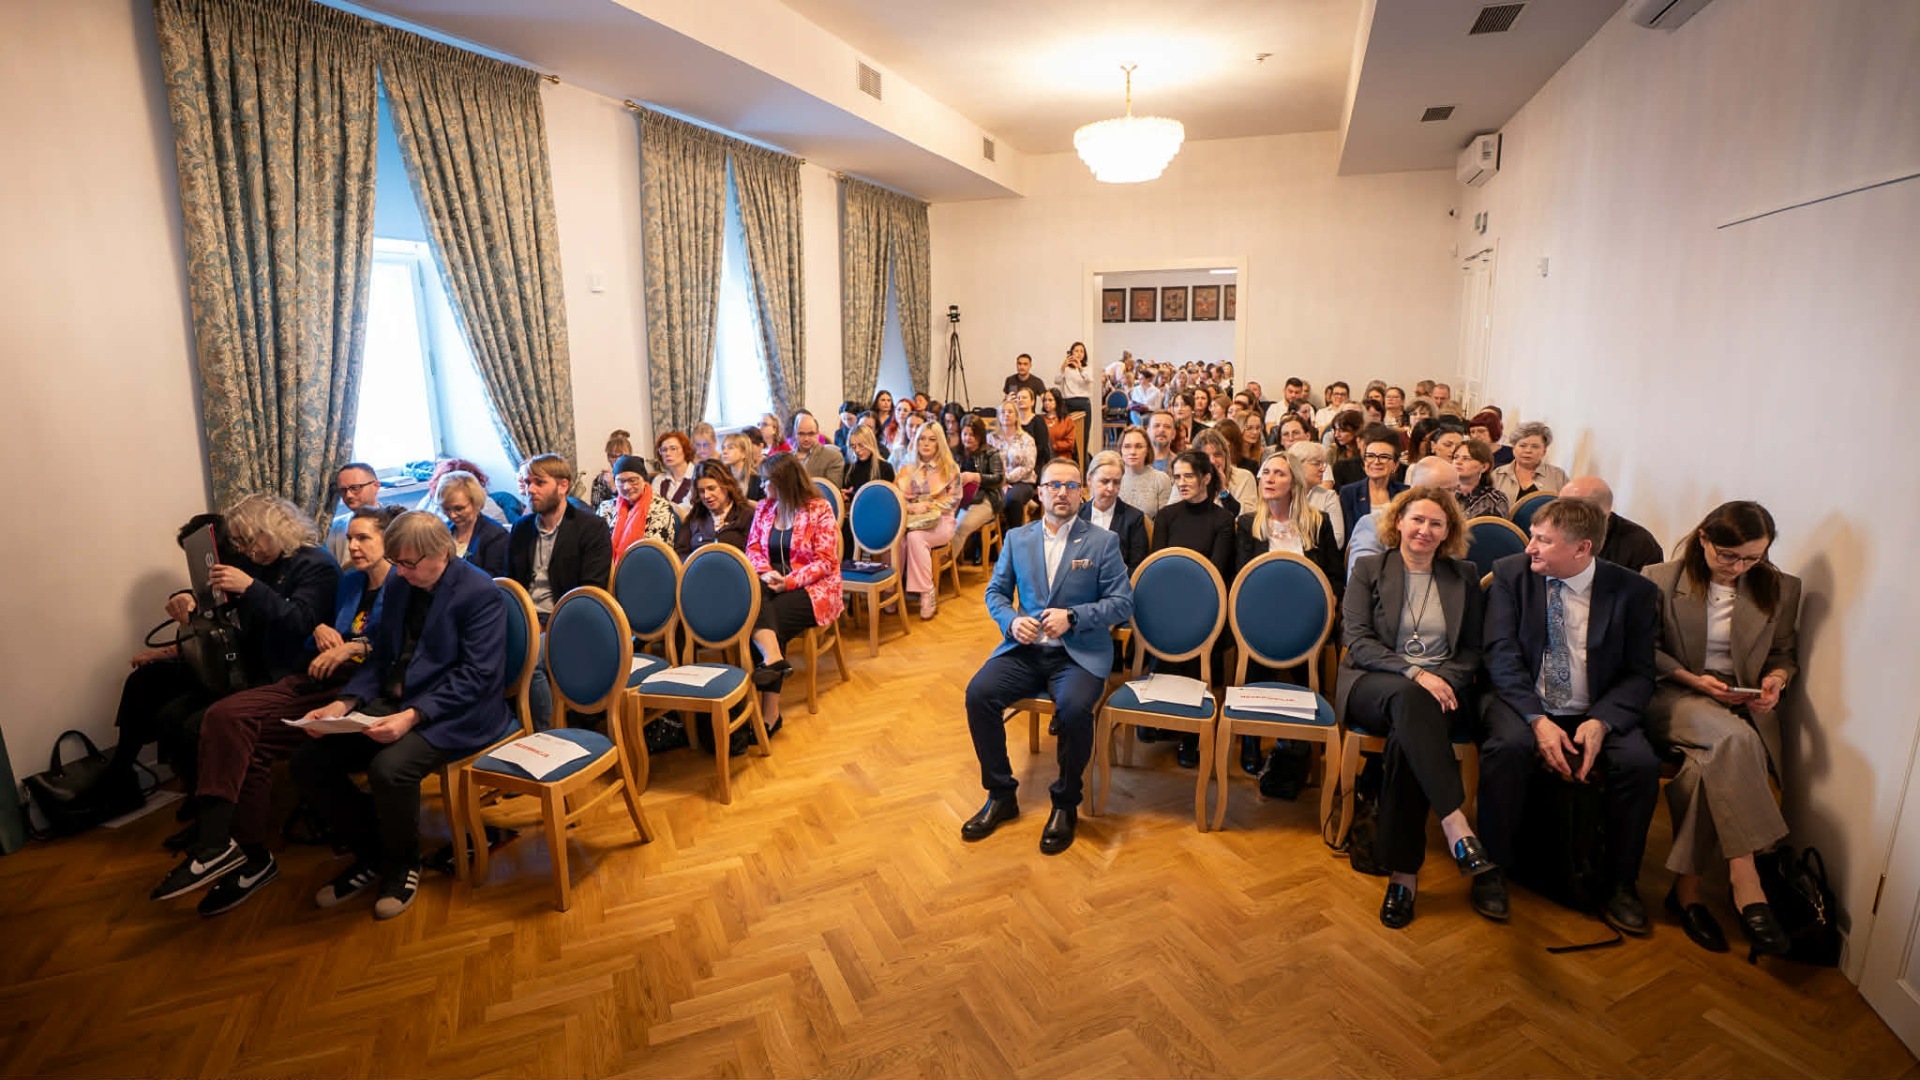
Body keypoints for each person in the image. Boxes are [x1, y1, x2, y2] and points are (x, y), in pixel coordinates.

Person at [149, 505, 399, 914]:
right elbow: (311, 630)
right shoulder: (353, 583)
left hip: (350, 687)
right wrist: (320, 633)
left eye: (363, 538)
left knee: (225, 718)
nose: (352, 546)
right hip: (316, 676)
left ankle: (219, 844)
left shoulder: (387, 583)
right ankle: (248, 855)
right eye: (350, 538)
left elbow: (385, 646)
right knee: (238, 734)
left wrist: (350, 646)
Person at [292, 512, 511, 920]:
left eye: (409, 563)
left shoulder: (479, 592)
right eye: (398, 563)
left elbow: (477, 677)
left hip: (458, 712)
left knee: (390, 769)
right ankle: (372, 853)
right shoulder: (398, 582)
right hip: (400, 700)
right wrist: (344, 704)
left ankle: (402, 864)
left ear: (441, 553)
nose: (401, 571)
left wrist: (413, 715)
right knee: (309, 761)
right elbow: (381, 653)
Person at [1475, 497, 1662, 934]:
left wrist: (1602, 721)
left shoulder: (1633, 592)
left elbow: (1639, 674)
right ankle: (1492, 868)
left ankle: (1621, 883)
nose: (1531, 548)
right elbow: (1501, 656)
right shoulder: (1510, 575)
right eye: (1533, 537)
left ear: (1583, 549)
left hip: (1595, 708)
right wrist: (1536, 720)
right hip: (1523, 700)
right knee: (1508, 747)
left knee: (1639, 764)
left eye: (1543, 540)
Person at [113, 500, 342, 817]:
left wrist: (250, 587)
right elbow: (215, 600)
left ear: (275, 529)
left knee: (198, 723)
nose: (246, 550)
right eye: (239, 543)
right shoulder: (259, 564)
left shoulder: (316, 565)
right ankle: (195, 799)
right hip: (248, 666)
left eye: (249, 540)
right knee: (170, 715)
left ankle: (218, 814)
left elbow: (301, 622)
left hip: (290, 673)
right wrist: (187, 597)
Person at [1643, 501, 1801, 956]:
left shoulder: (1781, 588)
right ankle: (1746, 876)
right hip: (1675, 694)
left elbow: (1783, 654)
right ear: (1704, 540)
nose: (1739, 568)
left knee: (1703, 773)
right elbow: (1644, 651)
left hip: (1741, 701)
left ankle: (1686, 896)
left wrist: (1775, 681)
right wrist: (1694, 680)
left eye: (1753, 558)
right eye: (1728, 556)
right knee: (1735, 739)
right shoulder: (1660, 579)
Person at [962, 457, 1134, 856]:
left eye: (1071, 486)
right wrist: (1009, 621)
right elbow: (996, 594)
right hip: (1024, 651)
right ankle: (1001, 794)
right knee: (978, 694)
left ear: (1082, 493)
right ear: (1039, 492)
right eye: (1054, 485)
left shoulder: (1102, 542)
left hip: (1078, 656)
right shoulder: (1017, 539)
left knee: (1074, 711)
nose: (1062, 492)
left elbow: (1122, 603)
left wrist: (1074, 617)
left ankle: (1065, 803)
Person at [1338, 486, 1492, 928]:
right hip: (1376, 683)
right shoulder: (1369, 568)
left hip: (1442, 691)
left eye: (1436, 523)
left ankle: (1403, 876)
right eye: (1417, 520)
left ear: (1448, 532)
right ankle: (1455, 823)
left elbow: (1471, 650)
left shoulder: (1462, 575)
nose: (1425, 530)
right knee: (1410, 699)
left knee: (1410, 733)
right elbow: (1358, 641)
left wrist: (1442, 678)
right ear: (1399, 522)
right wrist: (1415, 673)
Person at [508, 454, 614, 727]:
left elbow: (589, 593)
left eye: (539, 483)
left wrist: (546, 626)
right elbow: (512, 585)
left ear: (563, 486)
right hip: (528, 621)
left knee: (530, 660)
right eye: (528, 482)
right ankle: (504, 730)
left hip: (568, 622)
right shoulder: (521, 529)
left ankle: (546, 734)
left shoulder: (589, 527)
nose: (531, 489)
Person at [744, 454, 846, 734]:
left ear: (784, 482)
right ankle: (774, 661)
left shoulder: (819, 509)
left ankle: (768, 713)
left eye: (767, 481)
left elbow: (826, 561)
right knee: (752, 603)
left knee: (768, 618)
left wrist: (788, 581)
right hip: (770, 580)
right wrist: (766, 573)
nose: (762, 486)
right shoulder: (765, 508)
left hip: (815, 587)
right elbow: (752, 548)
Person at [1235, 450, 1343, 593]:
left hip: (1309, 601)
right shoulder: (1247, 524)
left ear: (1294, 483)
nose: (1269, 479)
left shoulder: (1318, 522)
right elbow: (1242, 581)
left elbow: (1336, 579)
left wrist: (1330, 601)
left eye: (1279, 474)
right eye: (1266, 472)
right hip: (1262, 603)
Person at [895, 420, 962, 620]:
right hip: (911, 519)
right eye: (922, 439)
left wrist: (929, 506)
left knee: (916, 538)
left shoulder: (950, 468)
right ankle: (892, 590)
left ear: (939, 443)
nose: (925, 443)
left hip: (942, 520)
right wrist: (911, 507)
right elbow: (896, 497)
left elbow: (954, 500)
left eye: (932, 440)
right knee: (899, 539)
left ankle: (927, 592)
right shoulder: (907, 467)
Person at [1560, 476, 1664, 573]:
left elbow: (1645, 590)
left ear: (1602, 512)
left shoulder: (1641, 546)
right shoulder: (1553, 529)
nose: (1559, 515)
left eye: (1568, 510)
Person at [1079, 450, 1148, 573]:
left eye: (1116, 482)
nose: (1111, 488)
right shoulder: (1076, 515)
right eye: (1104, 481)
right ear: (1089, 480)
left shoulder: (1133, 518)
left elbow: (1137, 568)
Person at [1338, 427, 1409, 547]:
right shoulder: (1349, 493)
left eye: (1384, 457)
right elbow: (1350, 536)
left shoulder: (1405, 493)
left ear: (1395, 465)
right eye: (1370, 456)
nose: (1376, 461)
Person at [597, 453, 675, 556]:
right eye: (621, 481)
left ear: (644, 480)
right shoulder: (605, 508)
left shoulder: (660, 508)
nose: (626, 487)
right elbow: (596, 545)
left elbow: (654, 553)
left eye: (632, 480)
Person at [953, 415, 1005, 567]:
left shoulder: (991, 453)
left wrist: (975, 477)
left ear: (980, 436)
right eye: (965, 434)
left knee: (960, 526)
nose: (968, 438)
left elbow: (998, 478)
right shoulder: (956, 453)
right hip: (959, 498)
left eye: (972, 435)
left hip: (986, 499)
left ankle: (944, 563)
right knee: (943, 524)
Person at [676, 460, 753, 556]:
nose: (706, 495)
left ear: (727, 486)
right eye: (701, 491)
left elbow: (753, 554)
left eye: (711, 488)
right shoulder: (696, 516)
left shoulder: (747, 515)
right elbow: (680, 553)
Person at [439, 470, 508, 576]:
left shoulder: (496, 535)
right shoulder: (442, 531)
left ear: (476, 503)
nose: (452, 515)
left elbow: (493, 580)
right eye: (446, 509)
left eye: (459, 508)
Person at [991, 398, 1039, 533]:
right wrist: (999, 480)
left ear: (1017, 416)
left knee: (1012, 499)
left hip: (1022, 481)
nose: (1006, 415)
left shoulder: (1026, 439)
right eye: (1003, 412)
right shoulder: (991, 438)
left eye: (1010, 412)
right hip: (996, 482)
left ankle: (1015, 536)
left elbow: (1028, 466)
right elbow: (987, 463)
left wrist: (1007, 478)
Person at [1492, 421, 1567, 505]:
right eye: (1522, 445)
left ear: (1544, 451)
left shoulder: (1558, 476)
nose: (1528, 451)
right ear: (1513, 449)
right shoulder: (1497, 475)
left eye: (1535, 446)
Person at [1286, 440, 1345, 546]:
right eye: (1317, 463)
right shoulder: (1283, 495)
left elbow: (1338, 539)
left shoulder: (1328, 497)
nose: (1323, 469)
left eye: (1323, 464)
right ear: (1298, 465)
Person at [325, 462, 383, 563]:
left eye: (355, 488)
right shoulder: (333, 528)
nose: (349, 495)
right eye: (343, 490)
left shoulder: (397, 523)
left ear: (376, 486)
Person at [1191, 428, 1257, 516]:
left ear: (1226, 456)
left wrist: (1223, 490)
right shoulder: (1186, 478)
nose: (1212, 461)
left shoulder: (1245, 477)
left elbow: (1246, 518)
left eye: (1217, 455)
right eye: (1205, 456)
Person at [1116, 425, 1171, 519]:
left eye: (1139, 446)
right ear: (1121, 450)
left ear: (1147, 450)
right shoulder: (1112, 479)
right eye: (1127, 446)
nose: (1132, 451)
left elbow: (1165, 522)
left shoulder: (1161, 479)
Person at [1452, 437, 1510, 520]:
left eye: (1466, 459)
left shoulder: (1495, 499)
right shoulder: (1445, 494)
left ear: (1484, 467)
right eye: (1455, 457)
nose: (1458, 462)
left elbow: (1495, 531)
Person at [1056, 341, 1097, 455]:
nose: (1079, 353)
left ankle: (1082, 463)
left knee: (1083, 436)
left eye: (1081, 351)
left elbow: (1089, 380)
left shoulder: (1087, 368)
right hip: (1067, 402)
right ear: (1071, 353)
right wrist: (1063, 368)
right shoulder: (1067, 368)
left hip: (1083, 402)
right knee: (1068, 435)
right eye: (1076, 351)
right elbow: (1057, 381)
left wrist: (1080, 368)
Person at [790, 410, 846, 489]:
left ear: (817, 434)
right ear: (795, 434)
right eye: (801, 434)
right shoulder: (787, 458)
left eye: (811, 434)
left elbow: (832, 492)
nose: (806, 439)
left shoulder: (833, 457)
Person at [653, 431, 699, 519]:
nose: (668, 453)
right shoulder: (658, 480)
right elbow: (654, 508)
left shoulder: (698, 476)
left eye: (673, 448)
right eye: (664, 450)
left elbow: (690, 510)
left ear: (685, 450)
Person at [1014, 386, 1053, 469]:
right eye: (1018, 398)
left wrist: (1024, 458)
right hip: (1014, 462)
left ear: (1032, 402)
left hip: (1035, 463)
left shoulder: (1038, 421)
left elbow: (1041, 447)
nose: (1020, 400)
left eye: (1024, 398)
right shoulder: (1013, 421)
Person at [590, 430, 632, 508]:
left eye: (621, 456)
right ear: (608, 458)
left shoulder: (636, 478)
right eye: (613, 456)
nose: (617, 460)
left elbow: (634, 504)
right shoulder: (601, 480)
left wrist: (614, 487)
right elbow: (596, 511)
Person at [722, 431, 766, 502]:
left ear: (744, 453)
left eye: (730, 448)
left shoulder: (758, 480)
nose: (724, 452)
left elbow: (765, 508)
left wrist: (745, 502)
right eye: (723, 448)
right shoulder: (722, 479)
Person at [1040, 388, 1078, 462]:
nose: (1047, 403)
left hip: (1062, 458)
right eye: (1045, 400)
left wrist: (1054, 446)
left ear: (1057, 401)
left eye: (1050, 400)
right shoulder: (1040, 419)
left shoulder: (1067, 420)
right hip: (1044, 458)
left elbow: (1070, 443)